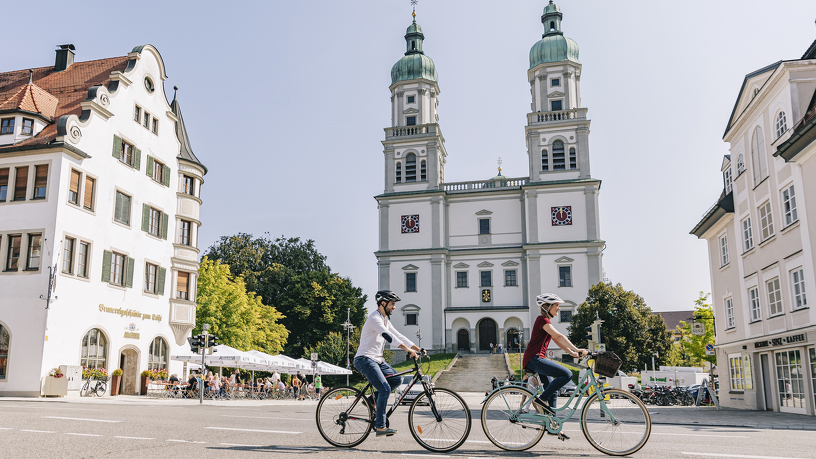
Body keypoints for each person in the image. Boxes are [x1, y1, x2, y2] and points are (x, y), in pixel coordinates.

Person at [354, 290, 424, 438]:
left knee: (396, 379)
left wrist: (417, 348)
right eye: (392, 304)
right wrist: (407, 350)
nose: (394, 307)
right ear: (383, 303)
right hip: (365, 359)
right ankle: (380, 427)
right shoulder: (375, 319)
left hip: (377, 359)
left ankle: (371, 400)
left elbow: (398, 335)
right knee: (385, 388)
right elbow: (388, 337)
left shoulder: (385, 319)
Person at [523, 293, 587, 423]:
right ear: (547, 307)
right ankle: (541, 400)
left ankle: (552, 423)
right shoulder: (542, 320)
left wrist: (571, 353)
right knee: (567, 374)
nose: (559, 308)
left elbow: (556, 340)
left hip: (535, 359)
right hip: (535, 358)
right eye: (556, 305)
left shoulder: (546, 322)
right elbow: (559, 336)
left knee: (552, 391)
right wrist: (577, 349)